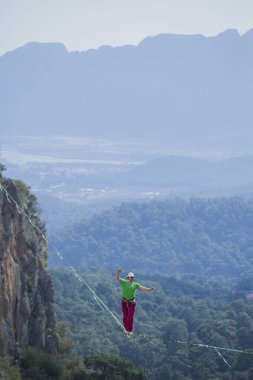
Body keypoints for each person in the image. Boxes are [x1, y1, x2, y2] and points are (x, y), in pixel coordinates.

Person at [116, 268, 155, 335]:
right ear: (128, 277)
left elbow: (143, 288)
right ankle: (126, 329)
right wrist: (118, 273)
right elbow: (118, 278)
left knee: (130, 317)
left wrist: (150, 289)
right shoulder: (124, 282)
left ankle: (129, 330)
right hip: (124, 301)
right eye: (130, 277)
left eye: (132, 277)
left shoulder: (135, 284)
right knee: (125, 316)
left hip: (132, 302)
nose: (132, 278)